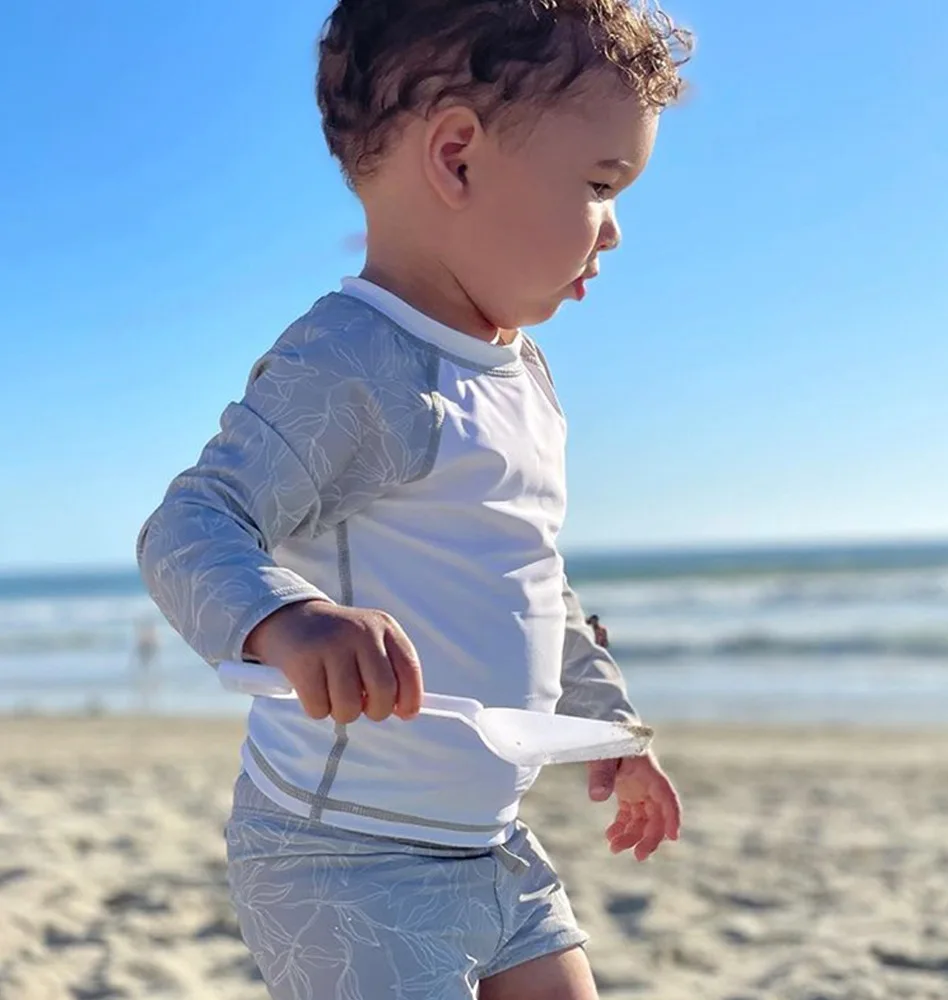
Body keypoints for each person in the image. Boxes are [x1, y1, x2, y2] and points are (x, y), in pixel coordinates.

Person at [137, 2, 688, 996]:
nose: (613, 231)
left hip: (491, 841)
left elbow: (532, 579)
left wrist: (610, 726)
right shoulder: (354, 359)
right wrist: (289, 619)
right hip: (344, 853)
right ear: (457, 158)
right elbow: (190, 525)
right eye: (600, 186)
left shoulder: (525, 378)